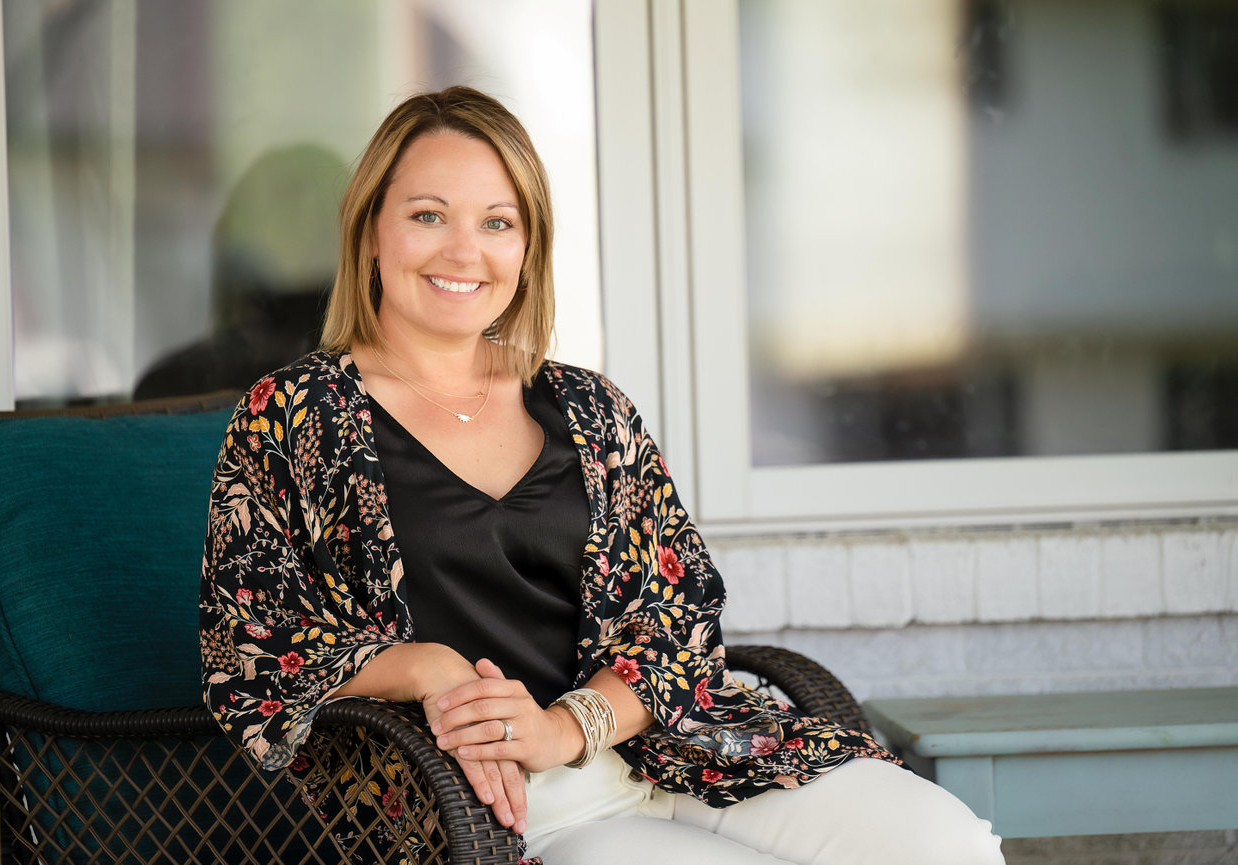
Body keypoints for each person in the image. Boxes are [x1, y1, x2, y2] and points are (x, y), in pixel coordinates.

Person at [200, 86, 1005, 865]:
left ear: (527, 246)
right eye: (427, 215)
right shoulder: (295, 413)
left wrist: (567, 724)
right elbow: (248, 645)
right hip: (506, 804)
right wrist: (429, 667)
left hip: (679, 746)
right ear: (372, 229)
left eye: (497, 222)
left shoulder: (590, 408)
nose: (463, 250)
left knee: (951, 845)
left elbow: (679, 612)